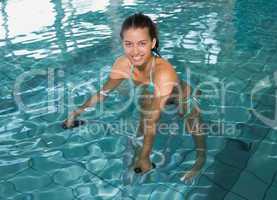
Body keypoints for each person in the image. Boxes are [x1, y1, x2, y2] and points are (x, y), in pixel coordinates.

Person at [63, 13, 205, 181]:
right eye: (129, 44)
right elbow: (103, 93)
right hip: (155, 94)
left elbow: (152, 121)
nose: (135, 51)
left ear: (152, 43)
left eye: (142, 43)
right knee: (143, 110)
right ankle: (139, 153)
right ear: (122, 44)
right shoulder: (122, 64)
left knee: (192, 123)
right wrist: (77, 112)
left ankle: (200, 160)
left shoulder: (163, 72)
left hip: (180, 96)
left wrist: (145, 158)